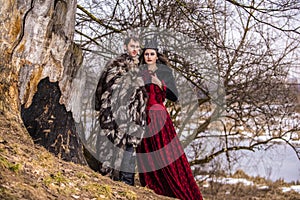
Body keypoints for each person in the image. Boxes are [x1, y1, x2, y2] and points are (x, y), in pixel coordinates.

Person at [136, 38, 203, 200]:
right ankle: (153, 185)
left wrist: (160, 84)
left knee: (166, 153)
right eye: (146, 54)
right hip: (142, 116)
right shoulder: (139, 71)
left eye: (152, 54)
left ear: (157, 55)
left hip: (159, 116)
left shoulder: (164, 72)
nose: (149, 57)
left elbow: (175, 96)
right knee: (147, 153)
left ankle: (174, 187)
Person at [94, 36, 148, 186]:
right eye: (132, 46)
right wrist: (100, 106)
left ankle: (127, 183)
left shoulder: (141, 69)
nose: (135, 49)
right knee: (109, 145)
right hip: (113, 113)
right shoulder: (115, 64)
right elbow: (103, 86)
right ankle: (107, 179)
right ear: (125, 47)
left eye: (137, 46)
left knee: (129, 148)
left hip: (133, 117)